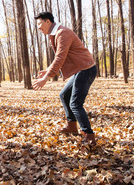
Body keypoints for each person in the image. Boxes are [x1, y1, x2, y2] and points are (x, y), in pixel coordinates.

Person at [32, 12, 97, 145]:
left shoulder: (63, 33)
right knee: (64, 95)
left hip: (86, 69)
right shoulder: (56, 34)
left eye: (40, 24)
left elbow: (60, 58)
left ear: (48, 22)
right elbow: (61, 57)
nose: (38, 27)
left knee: (75, 104)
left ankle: (89, 136)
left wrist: (46, 78)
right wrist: (48, 70)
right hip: (80, 70)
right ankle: (72, 127)